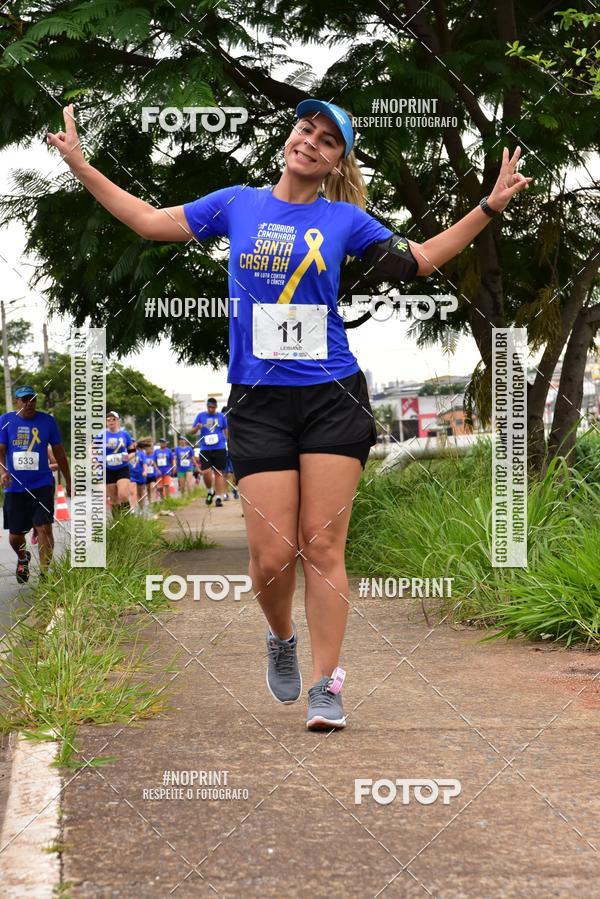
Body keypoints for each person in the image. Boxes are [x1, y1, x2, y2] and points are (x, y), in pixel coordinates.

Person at [49, 99, 531, 729]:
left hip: (333, 395)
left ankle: (327, 685)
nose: (312, 141)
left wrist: (488, 206)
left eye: (329, 140)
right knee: (273, 556)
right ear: (290, 137)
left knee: (322, 544)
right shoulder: (236, 204)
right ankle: (281, 637)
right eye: (307, 129)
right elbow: (146, 221)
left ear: (337, 163)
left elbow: (418, 260)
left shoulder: (345, 220)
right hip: (259, 401)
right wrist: (81, 164)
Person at [0, 386, 71, 581]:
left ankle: (44, 574)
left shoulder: (47, 421)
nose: (29, 403)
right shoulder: (6, 420)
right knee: (15, 536)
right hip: (15, 487)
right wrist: (3, 472)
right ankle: (23, 557)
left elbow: (59, 452)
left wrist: (68, 480)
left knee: (44, 528)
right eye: (24, 400)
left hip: (42, 484)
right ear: (17, 402)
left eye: (32, 399)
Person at [190, 398, 228, 507]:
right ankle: (210, 491)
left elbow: (226, 430)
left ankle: (218, 498)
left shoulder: (221, 416)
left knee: (218, 473)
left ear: (216, 407)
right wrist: (197, 428)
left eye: (213, 407)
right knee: (206, 472)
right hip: (205, 448)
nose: (211, 409)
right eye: (209, 407)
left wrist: (228, 442)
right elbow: (192, 432)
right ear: (207, 406)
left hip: (219, 447)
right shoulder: (201, 416)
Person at [102, 411, 135, 518]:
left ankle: (127, 519)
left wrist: (129, 457)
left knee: (123, 495)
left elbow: (132, 451)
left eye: (114, 419)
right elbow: (92, 448)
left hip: (122, 468)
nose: (111, 421)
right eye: (108, 420)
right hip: (108, 469)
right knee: (113, 499)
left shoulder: (125, 434)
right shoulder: (102, 435)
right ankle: (118, 522)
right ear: (106, 422)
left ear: (118, 421)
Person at [221, 405, 239, 500]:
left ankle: (229, 492)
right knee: (230, 473)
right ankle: (229, 492)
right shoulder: (222, 422)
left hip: (228, 449)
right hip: (226, 449)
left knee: (228, 473)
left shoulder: (230, 421)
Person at [128, 440, 148, 511]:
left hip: (140, 476)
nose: (132, 444)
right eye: (130, 443)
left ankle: (141, 509)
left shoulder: (141, 453)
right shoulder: (126, 453)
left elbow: (145, 464)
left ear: (136, 444)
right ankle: (133, 509)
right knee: (132, 492)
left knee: (140, 493)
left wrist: (145, 471)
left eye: (133, 442)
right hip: (131, 476)